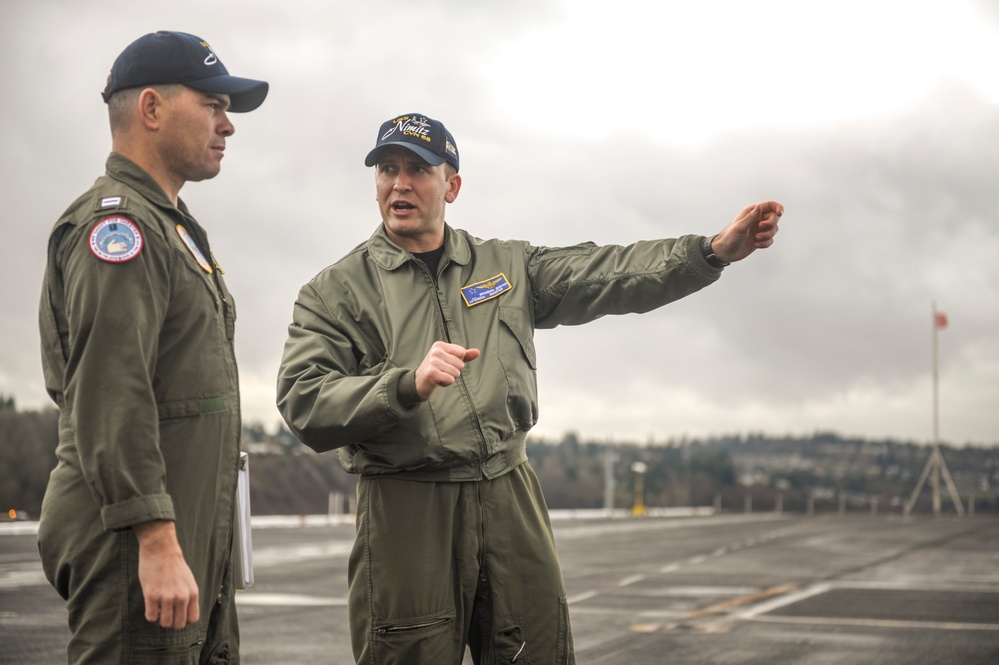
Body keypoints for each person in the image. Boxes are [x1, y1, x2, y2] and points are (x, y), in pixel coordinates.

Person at [276, 112, 783, 664]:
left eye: (418, 169)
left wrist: (708, 252)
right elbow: (304, 399)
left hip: (508, 493)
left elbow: (606, 273)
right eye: (387, 169)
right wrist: (404, 385)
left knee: (535, 649)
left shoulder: (506, 267)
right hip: (407, 506)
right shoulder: (335, 292)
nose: (400, 183)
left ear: (452, 185)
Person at [37, 31, 267, 664]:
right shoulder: (122, 228)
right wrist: (157, 542)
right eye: (213, 105)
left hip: (181, 534)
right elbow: (112, 393)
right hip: (131, 544)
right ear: (151, 109)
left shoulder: (171, 225)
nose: (228, 125)